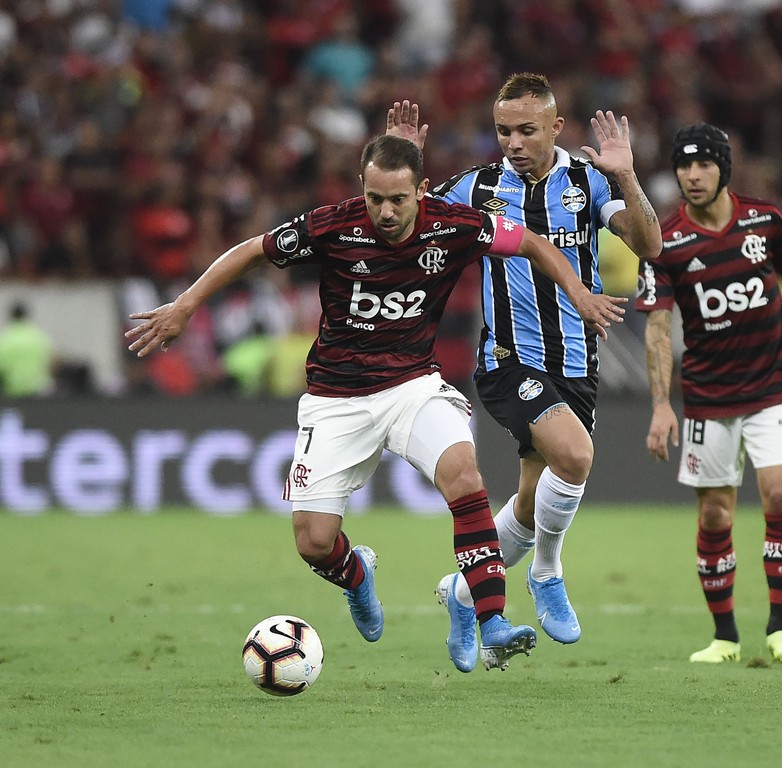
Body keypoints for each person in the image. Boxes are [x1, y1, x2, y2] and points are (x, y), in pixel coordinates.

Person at [126, 135, 626, 671]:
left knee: (463, 475)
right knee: (315, 543)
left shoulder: (454, 224)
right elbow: (252, 251)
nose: (385, 213)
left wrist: (576, 290)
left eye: (398, 200)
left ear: (422, 192)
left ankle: (492, 619)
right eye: (374, 199)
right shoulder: (331, 226)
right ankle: (357, 575)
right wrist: (184, 306)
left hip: (413, 386)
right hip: (335, 397)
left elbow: (528, 241)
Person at [387, 72, 662, 672]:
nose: (512, 142)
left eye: (526, 131)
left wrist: (626, 174)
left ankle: (462, 596)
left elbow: (651, 244)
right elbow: (405, 230)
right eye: (503, 131)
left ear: (556, 128)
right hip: (507, 361)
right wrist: (405, 164)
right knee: (577, 456)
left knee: (535, 501)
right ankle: (546, 573)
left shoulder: (588, 182)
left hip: (575, 363)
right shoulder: (474, 187)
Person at [635, 123, 782, 664]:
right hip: (709, 397)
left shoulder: (766, 221)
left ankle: (781, 628)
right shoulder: (664, 242)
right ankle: (725, 637)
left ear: (723, 169)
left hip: (774, 385)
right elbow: (656, 328)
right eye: (684, 166)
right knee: (715, 516)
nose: (692, 176)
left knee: (781, 496)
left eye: (704, 165)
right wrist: (661, 405)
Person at [0, 302, 56, 397]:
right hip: (37, 390)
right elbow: (51, 362)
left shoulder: (6, 338)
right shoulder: (39, 336)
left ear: (11, 316)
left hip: (13, 391)